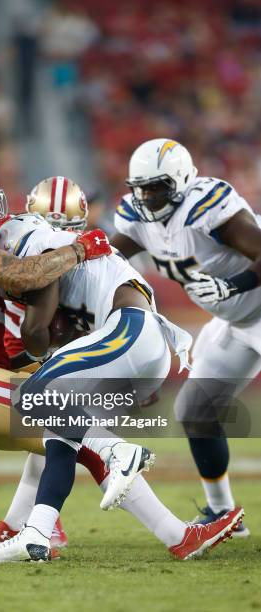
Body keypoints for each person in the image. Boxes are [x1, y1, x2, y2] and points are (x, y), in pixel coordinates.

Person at [0, 176, 243, 563]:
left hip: (130, 332)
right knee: (61, 433)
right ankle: (32, 532)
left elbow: (34, 332)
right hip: (139, 344)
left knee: (32, 395)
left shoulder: (32, 235)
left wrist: (34, 337)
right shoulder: (67, 251)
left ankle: (118, 453)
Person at [0, 158, 164, 560]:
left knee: (41, 429)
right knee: (70, 424)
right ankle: (121, 495)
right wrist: (79, 248)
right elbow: (23, 276)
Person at [111, 138, 261, 534]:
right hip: (237, 323)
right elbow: (109, 259)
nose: (146, 196)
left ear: (179, 180)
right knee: (196, 412)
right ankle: (223, 513)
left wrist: (233, 284)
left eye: (155, 186)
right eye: (140, 188)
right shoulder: (139, 217)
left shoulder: (207, 207)